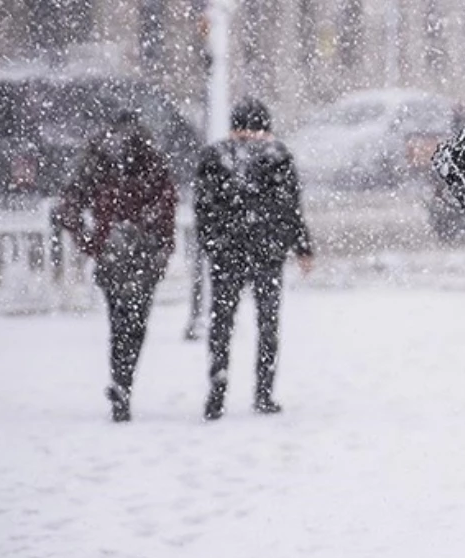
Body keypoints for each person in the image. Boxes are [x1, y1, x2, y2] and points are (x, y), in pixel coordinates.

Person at [52, 110, 177, 423]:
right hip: (143, 252)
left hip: (112, 251)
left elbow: (70, 204)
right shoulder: (151, 159)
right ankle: (124, 381)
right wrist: (163, 245)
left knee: (119, 321)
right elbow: (167, 207)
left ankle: (121, 382)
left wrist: (90, 240)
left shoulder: (98, 157)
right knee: (135, 323)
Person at [194, 97, 314, 421]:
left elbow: (203, 208)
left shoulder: (214, 156)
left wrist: (213, 245)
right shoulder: (277, 156)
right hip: (267, 254)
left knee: (222, 323)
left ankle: (217, 391)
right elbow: (290, 208)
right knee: (268, 324)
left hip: (227, 255)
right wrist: (301, 247)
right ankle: (263, 393)